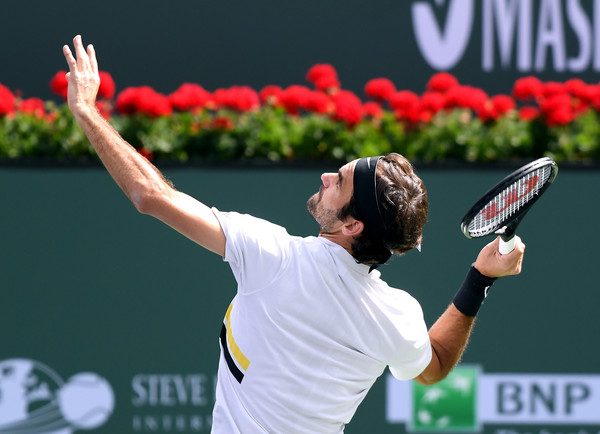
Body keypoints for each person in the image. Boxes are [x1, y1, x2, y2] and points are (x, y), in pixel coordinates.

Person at [62, 35, 525, 433]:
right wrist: (480, 278)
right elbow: (436, 366)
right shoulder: (397, 316)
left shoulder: (272, 256)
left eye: (338, 182)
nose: (326, 177)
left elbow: (149, 195)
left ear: (351, 226)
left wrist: (86, 110)